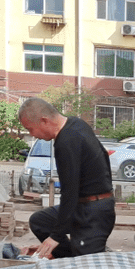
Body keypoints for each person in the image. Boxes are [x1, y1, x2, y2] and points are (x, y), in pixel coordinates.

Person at [18, 98, 114, 259]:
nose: (32, 135)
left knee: (85, 267)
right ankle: (68, 258)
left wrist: (55, 237)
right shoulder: (76, 123)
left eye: (31, 129)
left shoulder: (66, 142)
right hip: (84, 205)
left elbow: (69, 191)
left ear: (44, 121)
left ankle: (77, 259)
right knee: (40, 221)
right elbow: (104, 154)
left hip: (94, 212)